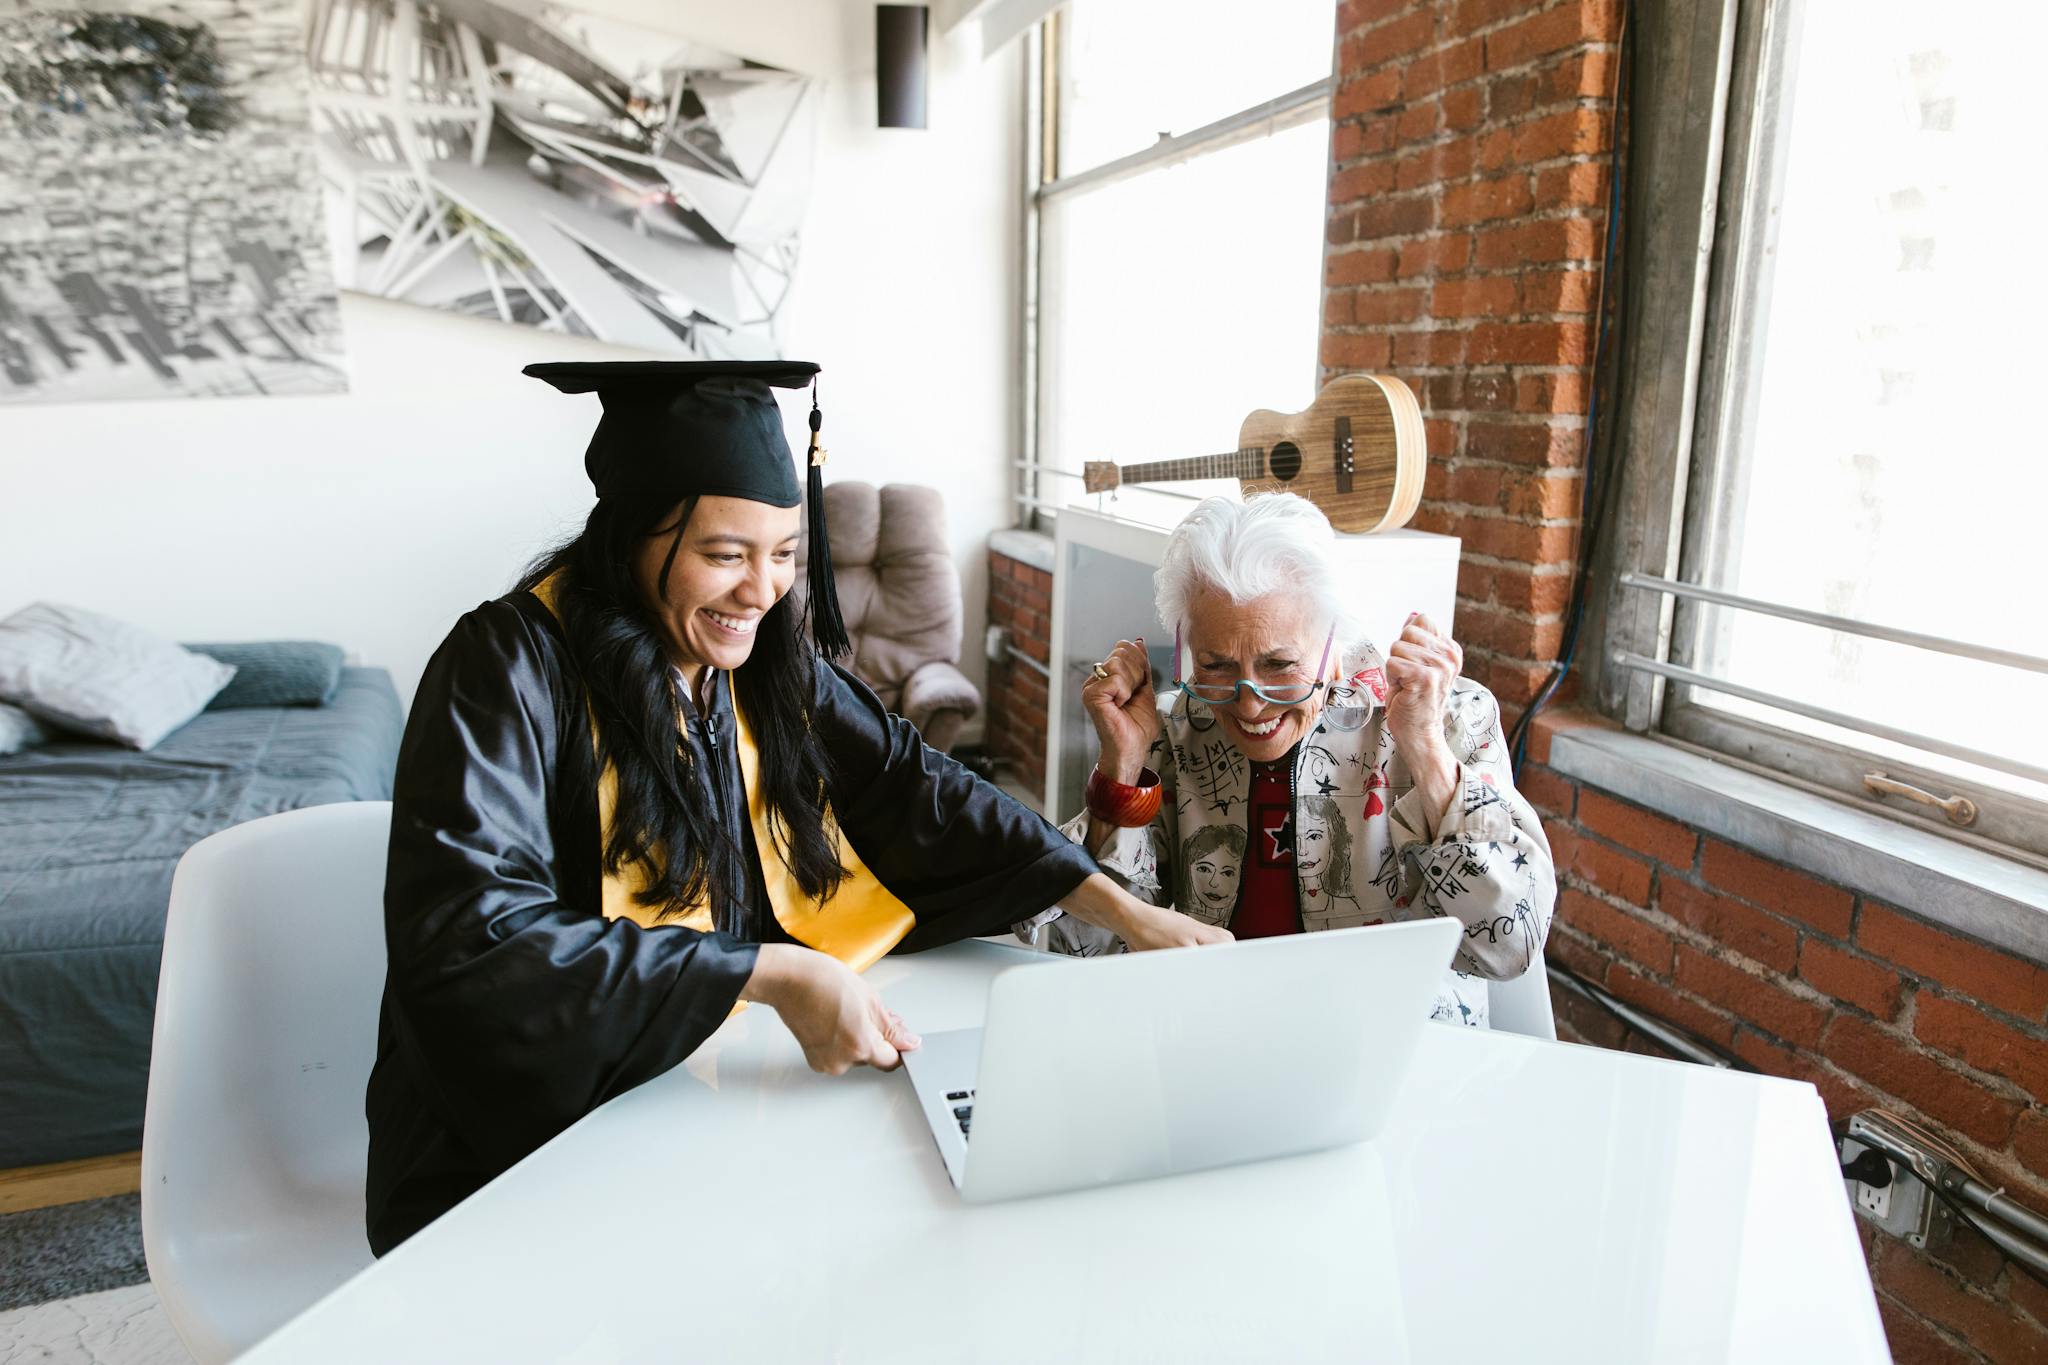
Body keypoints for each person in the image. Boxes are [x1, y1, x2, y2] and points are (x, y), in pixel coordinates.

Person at [364, 360, 1224, 1254]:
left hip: (714, 1099)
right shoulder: (503, 669)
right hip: (520, 1158)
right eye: (723, 554)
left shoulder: (762, 661)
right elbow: (470, 946)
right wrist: (767, 972)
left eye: (783, 554)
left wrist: (1124, 911)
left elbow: (912, 784)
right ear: (629, 536)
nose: (762, 591)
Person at [1028, 492, 1556, 1025]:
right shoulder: (1180, 725)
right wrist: (1123, 764)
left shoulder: (1449, 715)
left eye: (1279, 664)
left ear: (1333, 643)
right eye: (1215, 663)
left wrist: (1425, 749)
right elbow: (1085, 950)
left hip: (1398, 1049)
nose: (1249, 702)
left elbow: (1509, 946)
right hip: (1218, 1037)